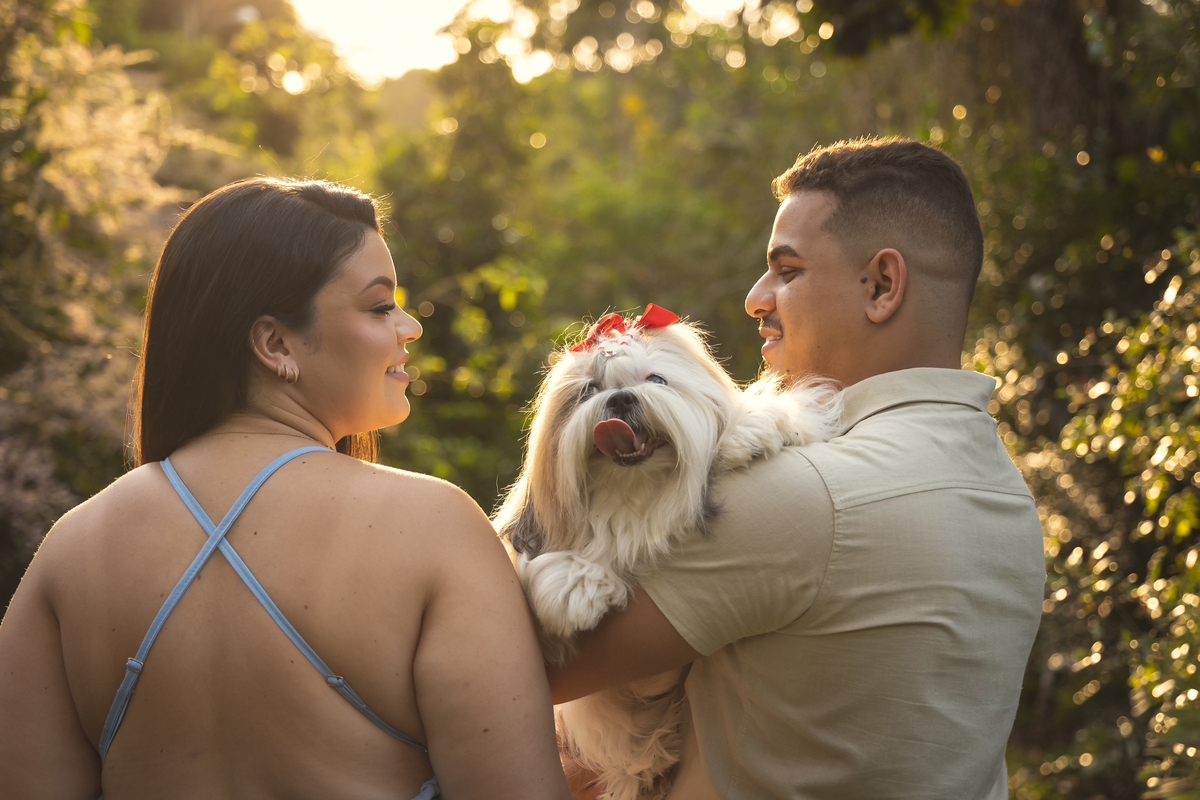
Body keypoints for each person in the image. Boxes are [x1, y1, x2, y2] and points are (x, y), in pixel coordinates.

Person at [0, 178, 572, 800]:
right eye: (380, 307)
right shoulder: (434, 528)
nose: (410, 326)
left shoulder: (70, 552)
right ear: (275, 344)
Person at [547, 137, 1046, 798]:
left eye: (786, 270)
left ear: (881, 284)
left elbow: (518, 670)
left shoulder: (806, 492)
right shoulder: (1004, 490)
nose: (758, 297)